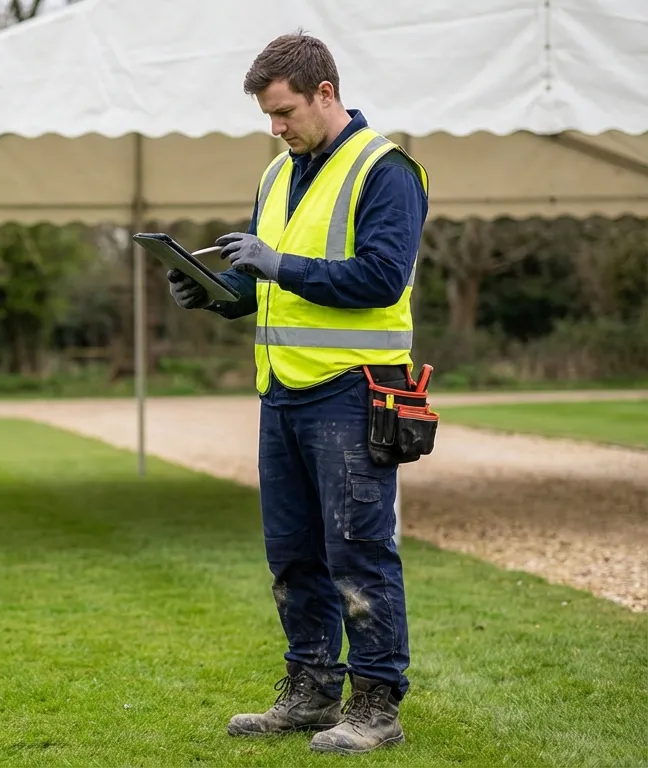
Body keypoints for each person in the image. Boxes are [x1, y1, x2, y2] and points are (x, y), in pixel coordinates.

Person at [166, 31, 430, 754]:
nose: (276, 129)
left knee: (359, 552)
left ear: (325, 92)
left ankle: (376, 706)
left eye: (284, 112)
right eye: (267, 117)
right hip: (282, 394)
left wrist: (277, 264)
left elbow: (380, 277)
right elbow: (262, 287)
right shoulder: (276, 174)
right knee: (293, 554)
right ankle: (312, 692)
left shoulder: (387, 170)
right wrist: (217, 294)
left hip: (354, 391)